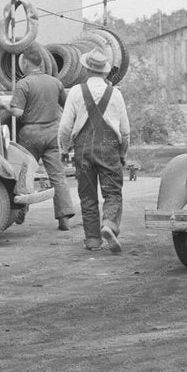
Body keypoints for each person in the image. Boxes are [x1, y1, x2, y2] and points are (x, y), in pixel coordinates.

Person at [58, 48, 131, 254]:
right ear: (106, 72)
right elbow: (125, 131)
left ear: (86, 69)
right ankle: (109, 224)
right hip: (109, 149)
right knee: (112, 192)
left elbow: (65, 127)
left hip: (83, 149)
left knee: (87, 195)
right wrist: (123, 153)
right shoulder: (115, 94)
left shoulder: (75, 92)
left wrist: (64, 148)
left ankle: (92, 240)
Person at [9, 50, 77, 230]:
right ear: (41, 64)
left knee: (24, 175)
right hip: (53, 134)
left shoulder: (23, 84)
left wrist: (4, 106)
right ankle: (64, 216)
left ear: (25, 64)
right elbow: (67, 105)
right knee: (57, 176)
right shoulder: (56, 82)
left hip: (30, 135)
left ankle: (20, 210)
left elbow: (18, 112)